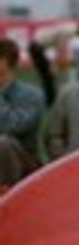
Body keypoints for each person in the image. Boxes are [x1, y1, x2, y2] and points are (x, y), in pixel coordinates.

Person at [0, 37, 46, 183]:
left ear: (4, 63)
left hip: (23, 161)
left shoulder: (32, 95)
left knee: (4, 143)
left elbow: (15, 126)